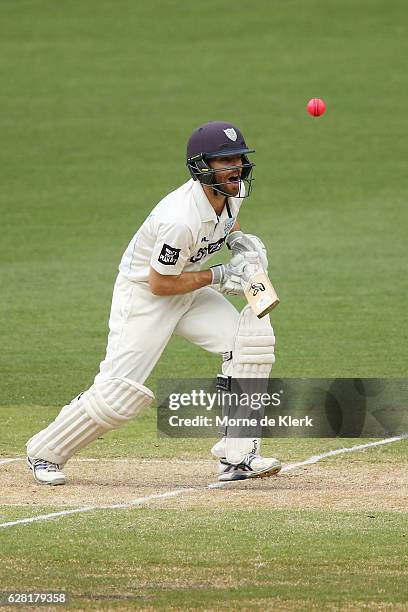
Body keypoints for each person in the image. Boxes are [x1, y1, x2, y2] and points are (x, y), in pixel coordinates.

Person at [26, 121, 281, 486]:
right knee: (118, 393)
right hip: (146, 296)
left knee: (249, 341)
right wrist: (221, 276)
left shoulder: (232, 191)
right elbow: (160, 283)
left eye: (238, 158)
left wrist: (240, 244)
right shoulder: (179, 219)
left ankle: (238, 457)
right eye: (224, 161)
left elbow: (227, 222)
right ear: (202, 167)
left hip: (187, 285)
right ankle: (45, 452)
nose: (235, 167)